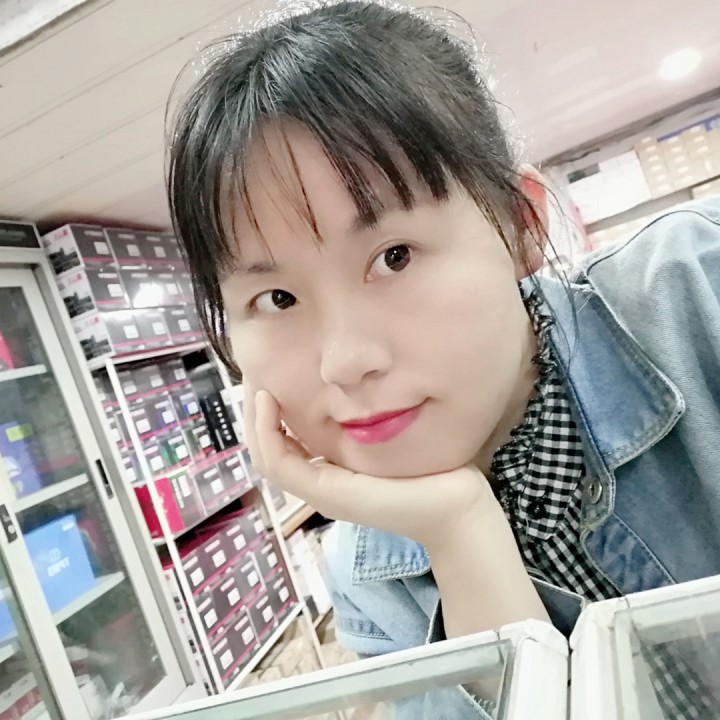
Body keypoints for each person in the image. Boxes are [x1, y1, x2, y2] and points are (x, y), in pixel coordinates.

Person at [166, 2, 720, 716]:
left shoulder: (697, 291)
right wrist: (459, 533)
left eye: (393, 256)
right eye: (276, 299)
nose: (345, 362)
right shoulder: (366, 586)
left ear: (519, 225)